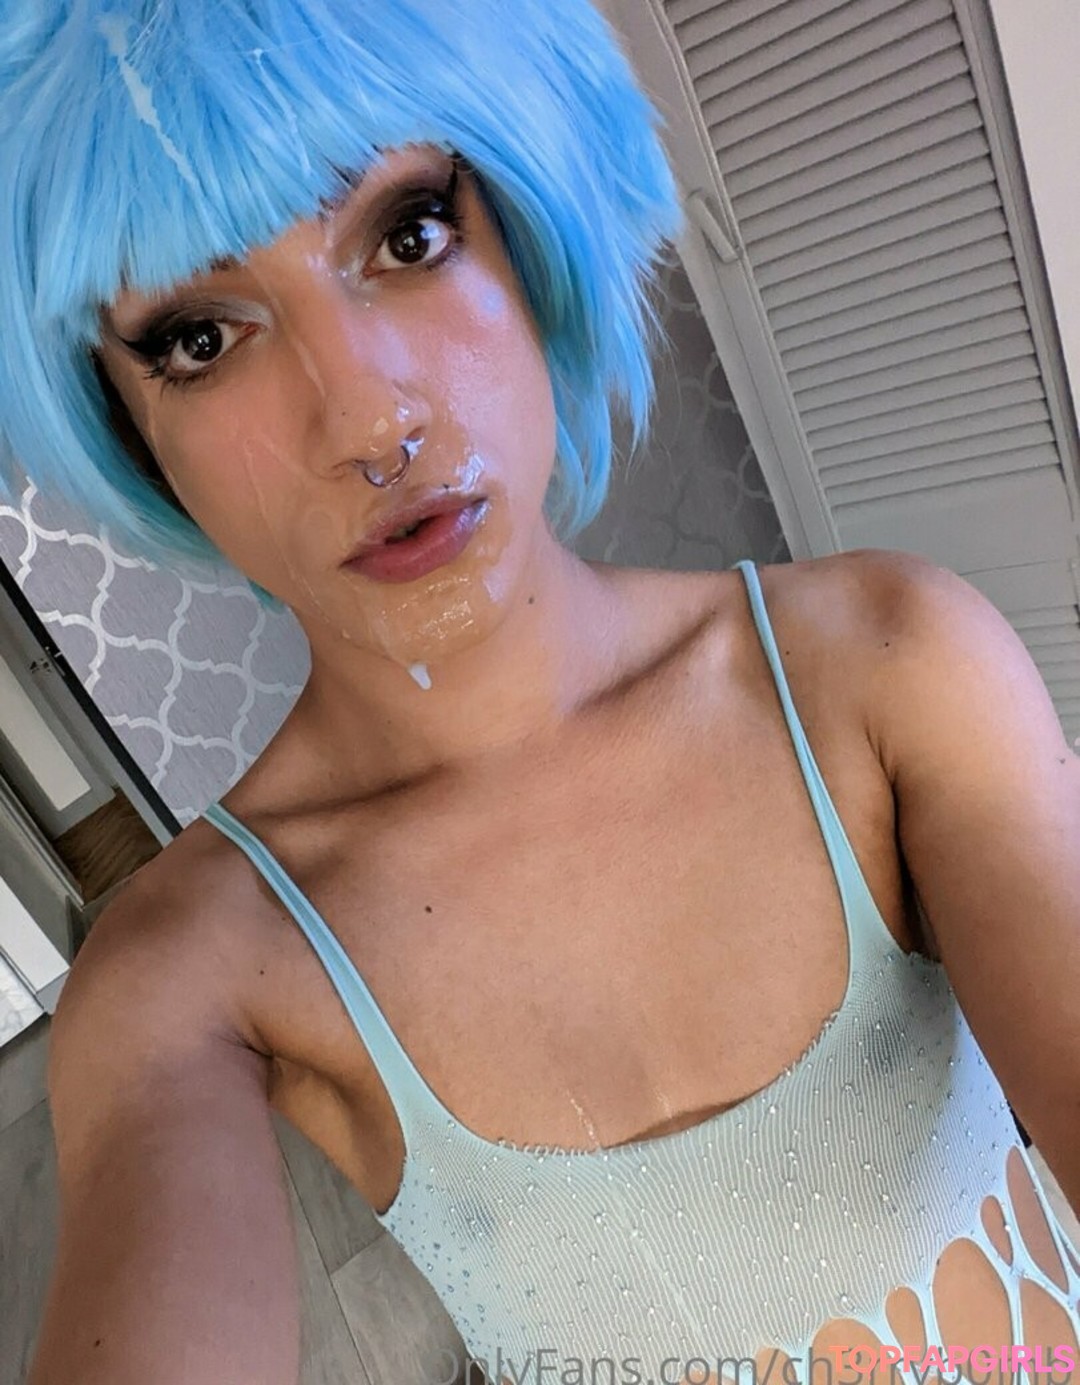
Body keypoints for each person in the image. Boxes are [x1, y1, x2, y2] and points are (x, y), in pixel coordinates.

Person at [2, 3, 1077, 1383]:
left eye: (408, 234)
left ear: (524, 228)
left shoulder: (887, 659)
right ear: (133, 433)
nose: (370, 420)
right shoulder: (186, 975)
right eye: (201, 338)